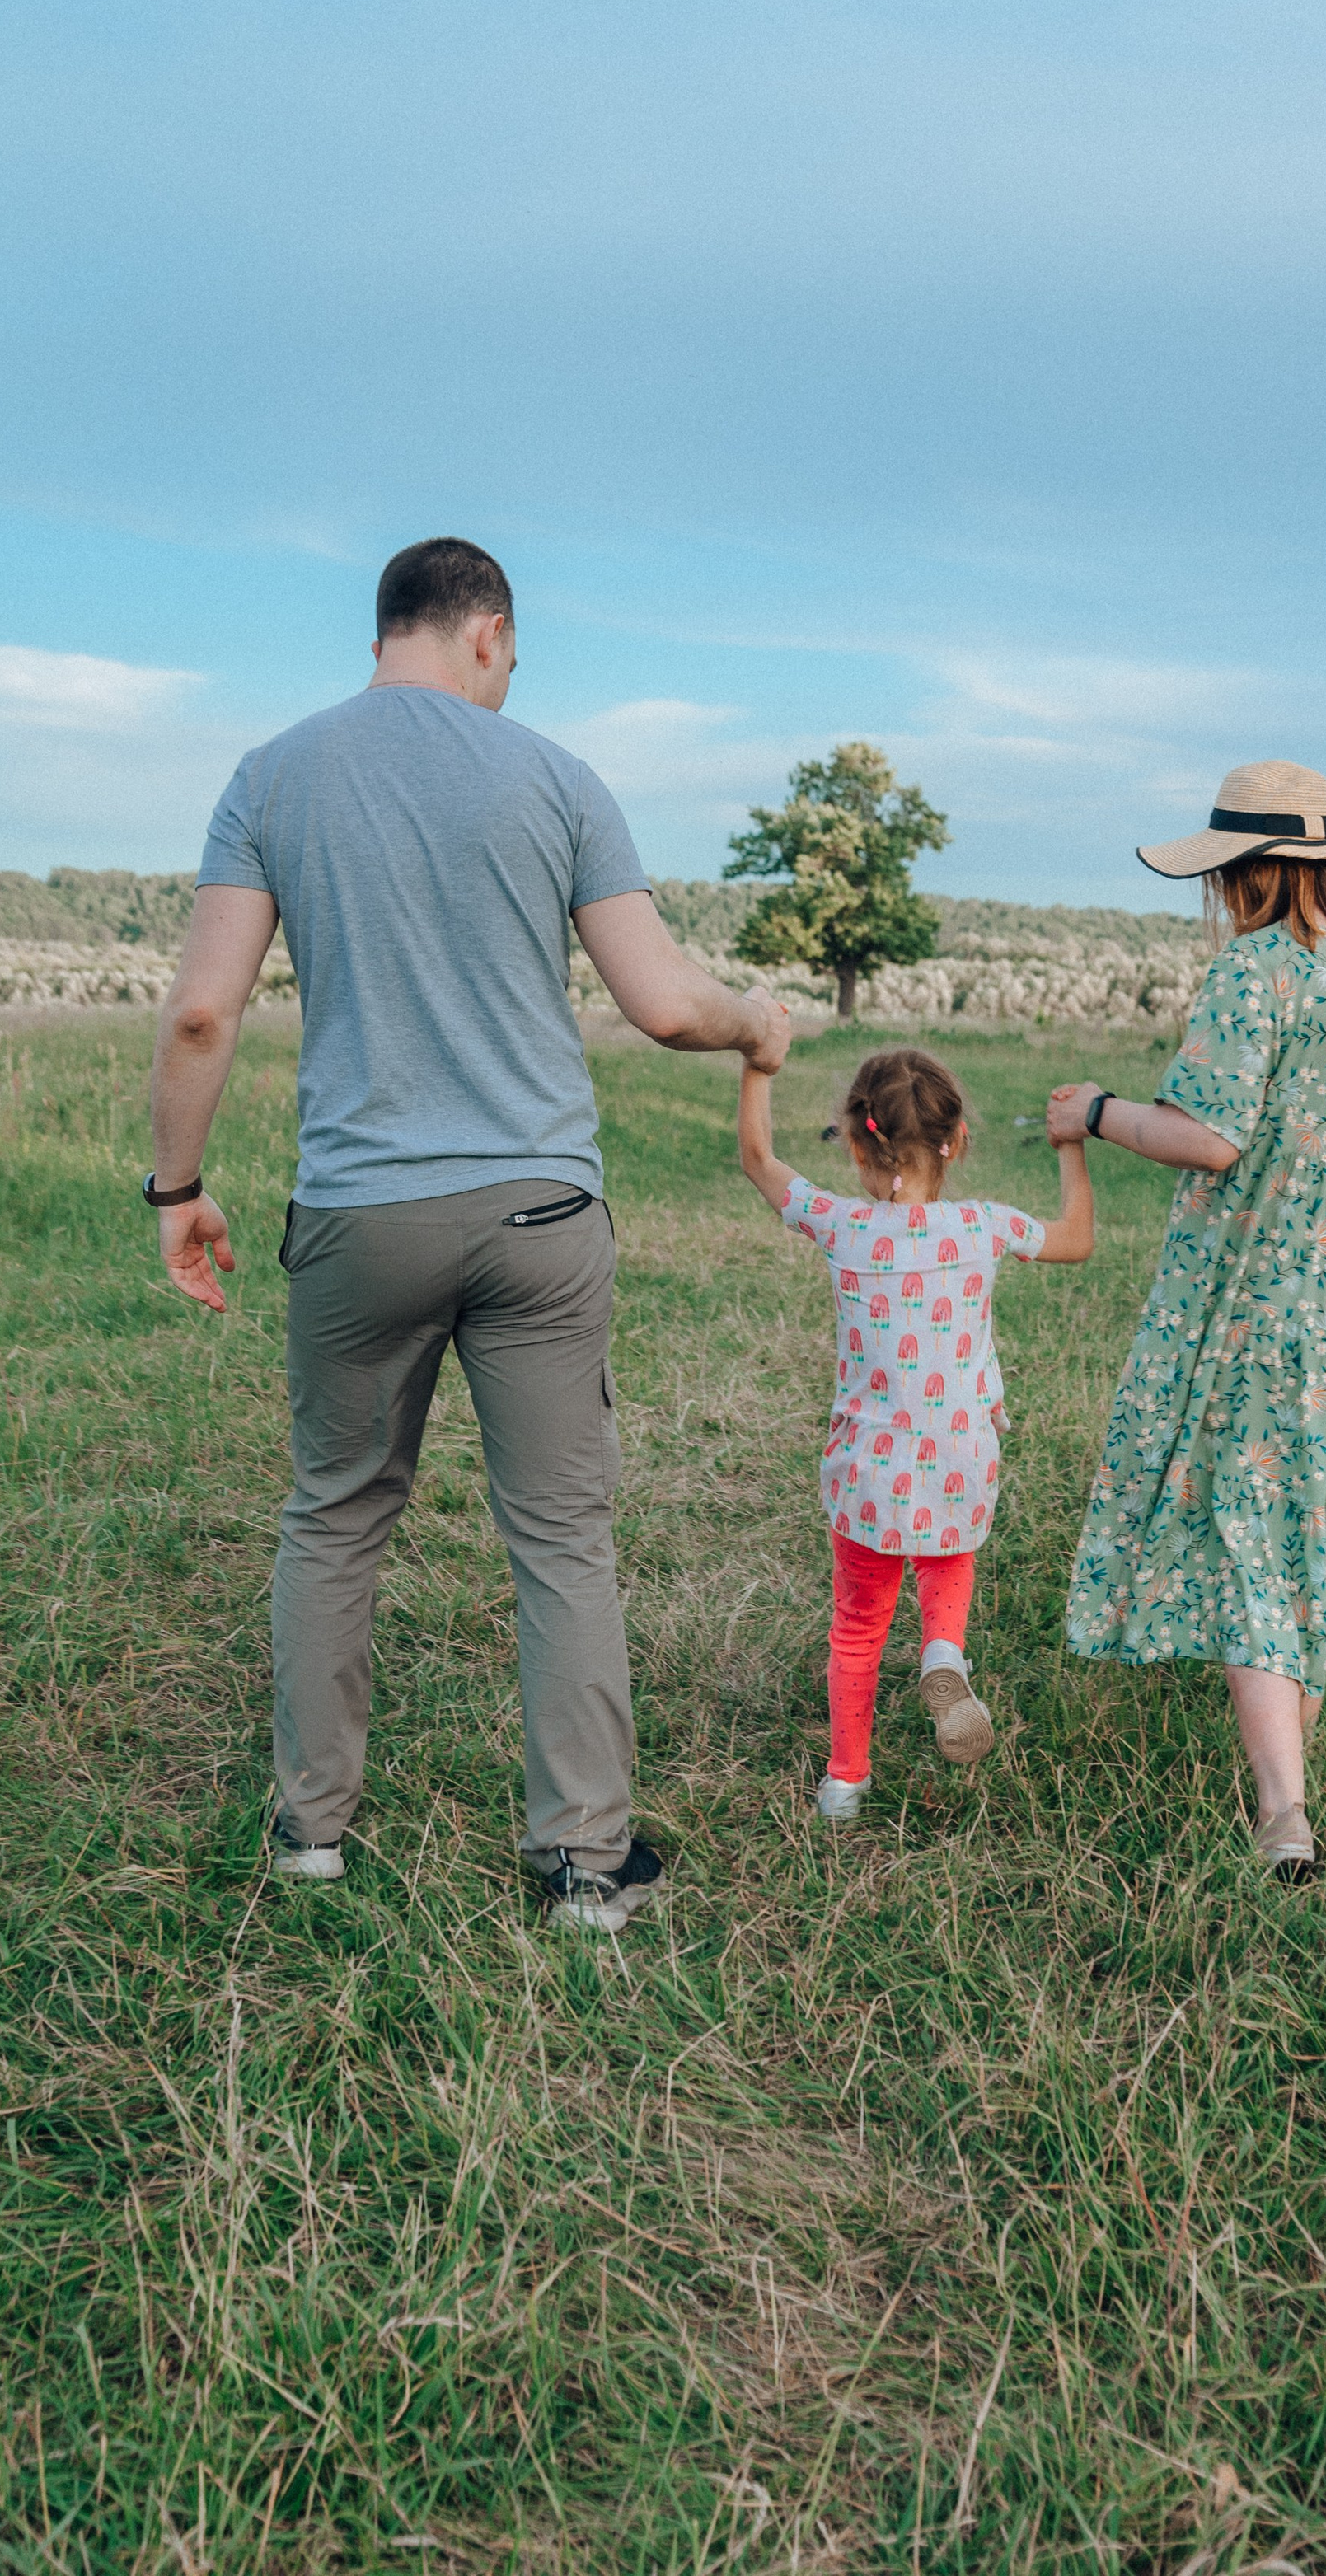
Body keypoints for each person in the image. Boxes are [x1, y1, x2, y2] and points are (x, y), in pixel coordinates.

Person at [146, 536, 790, 1931]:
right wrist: (760, 1023)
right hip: (543, 1213)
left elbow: (202, 1011)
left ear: (391, 632)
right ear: (486, 633)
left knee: (336, 1511)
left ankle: (311, 1833)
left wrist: (176, 1189)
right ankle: (585, 1865)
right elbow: (667, 1006)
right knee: (562, 1534)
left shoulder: (271, 774)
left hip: (363, 1212)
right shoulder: (560, 776)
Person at [1049, 761, 1326, 1883]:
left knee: (1251, 1526)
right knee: (1307, 1524)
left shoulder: (1258, 972)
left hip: (1270, 1307)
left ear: (1247, 873)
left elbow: (1207, 1134)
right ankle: (1290, 1762)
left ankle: (1286, 1810)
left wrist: (1097, 1111)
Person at [737, 1043, 1094, 1821]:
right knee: (946, 1564)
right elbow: (1076, 1236)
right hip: (961, 1458)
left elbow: (758, 1157)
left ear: (861, 1148)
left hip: (868, 1467)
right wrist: (1070, 1146)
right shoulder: (983, 1225)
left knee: (858, 1626)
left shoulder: (841, 1224)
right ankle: (943, 1648)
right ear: (955, 1140)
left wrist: (756, 1061)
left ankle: (845, 1780)